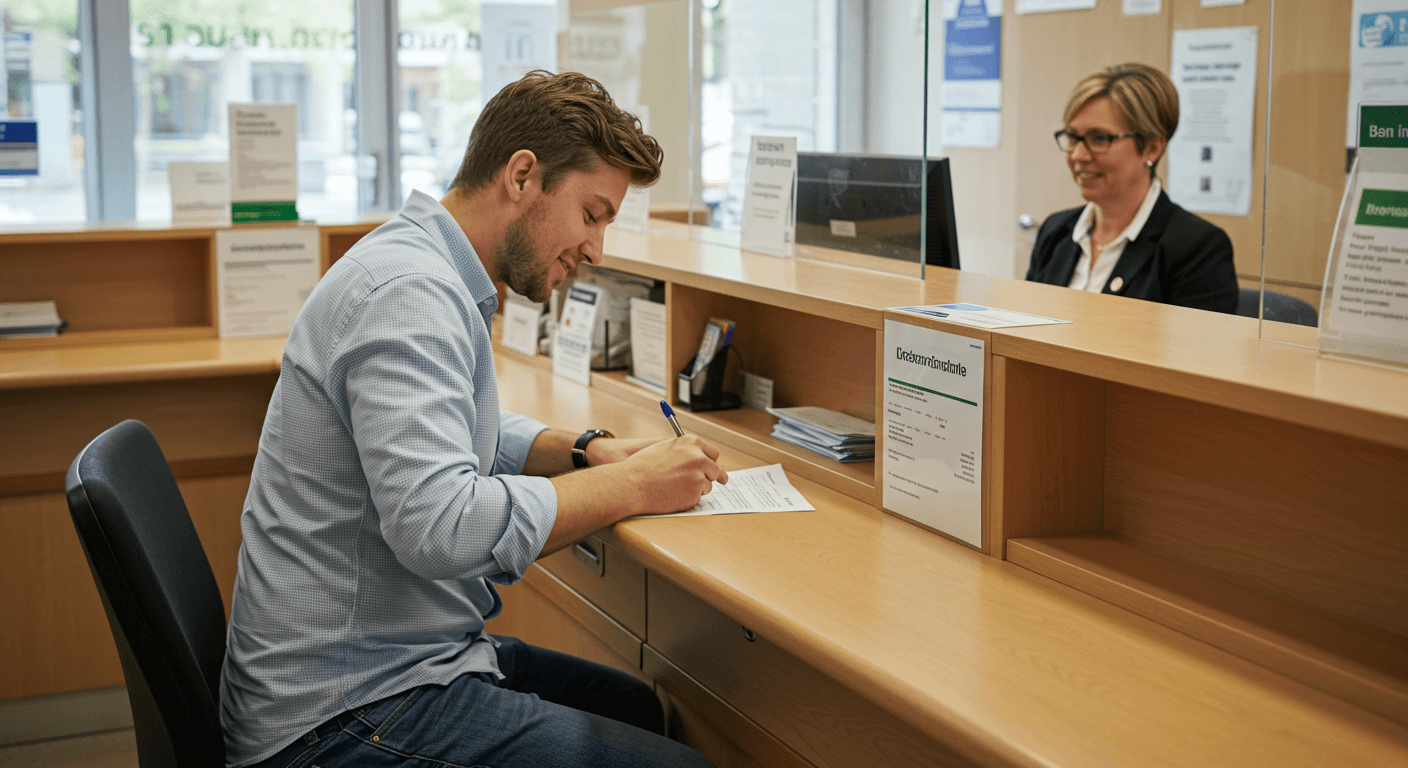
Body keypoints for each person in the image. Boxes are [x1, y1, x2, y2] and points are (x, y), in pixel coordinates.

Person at [219, 70, 725, 768]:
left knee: (637, 709)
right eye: (592, 214)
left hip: (393, 657)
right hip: (338, 710)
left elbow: (453, 430)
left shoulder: (426, 266)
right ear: (522, 176)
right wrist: (635, 486)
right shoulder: (410, 293)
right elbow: (442, 526)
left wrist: (584, 450)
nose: (596, 250)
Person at [1026, 63, 1239, 313]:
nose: (1078, 155)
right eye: (1073, 138)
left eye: (1099, 138)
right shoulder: (1055, 231)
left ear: (1152, 147)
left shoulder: (1198, 248)